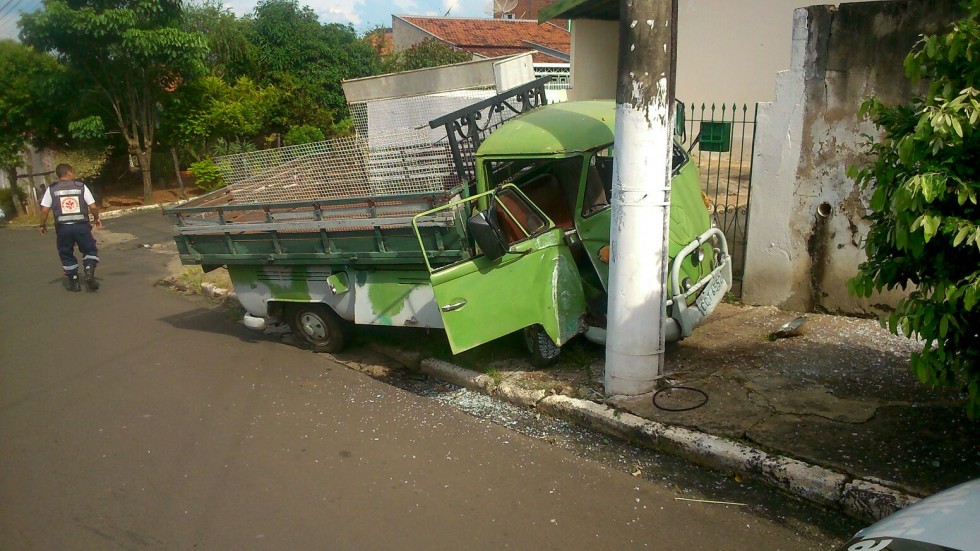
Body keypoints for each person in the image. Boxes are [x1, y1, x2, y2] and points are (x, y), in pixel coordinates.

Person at [38, 164, 102, 292]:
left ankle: (74, 282)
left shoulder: (51, 189)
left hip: (63, 229)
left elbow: (44, 210)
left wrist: (42, 224)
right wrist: (96, 218)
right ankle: (89, 271)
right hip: (81, 226)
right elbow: (93, 207)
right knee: (89, 249)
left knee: (66, 253)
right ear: (69, 173)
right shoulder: (81, 186)